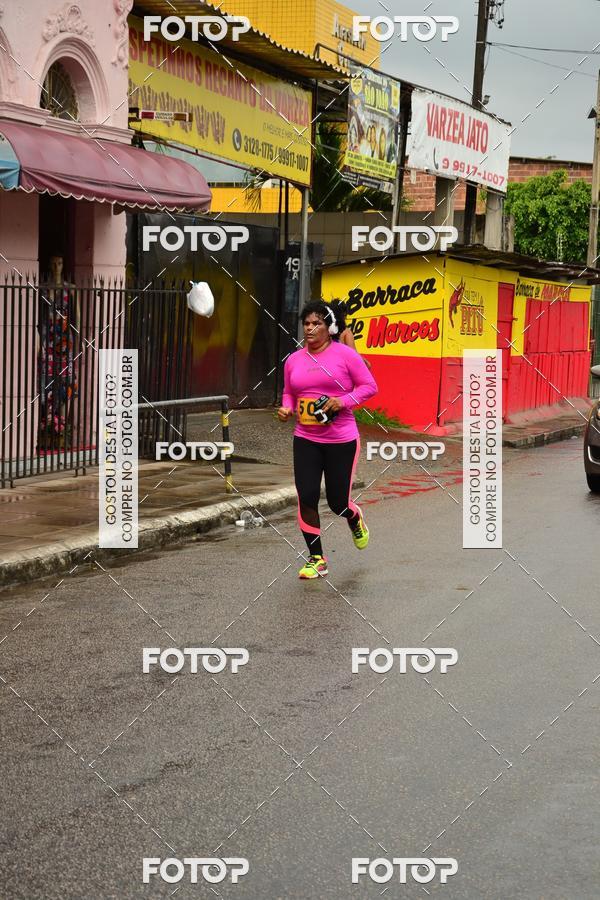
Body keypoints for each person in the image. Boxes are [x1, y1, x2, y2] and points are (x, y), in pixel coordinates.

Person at [278, 301, 378, 579]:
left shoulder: (345, 356)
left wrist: (342, 402)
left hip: (341, 440)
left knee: (338, 503)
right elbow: (289, 392)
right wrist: (286, 408)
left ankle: (354, 517)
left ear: (329, 327)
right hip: (305, 438)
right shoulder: (294, 360)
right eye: (306, 324)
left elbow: (369, 386)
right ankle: (316, 559)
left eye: (316, 323)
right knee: (306, 496)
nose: (310, 329)